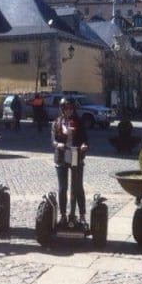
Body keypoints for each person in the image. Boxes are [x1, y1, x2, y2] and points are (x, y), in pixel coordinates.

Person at [51, 96, 89, 226]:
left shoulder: (79, 122)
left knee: (77, 186)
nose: (69, 111)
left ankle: (81, 214)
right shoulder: (57, 123)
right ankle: (63, 215)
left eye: (71, 108)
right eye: (66, 108)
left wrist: (84, 145)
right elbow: (54, 140)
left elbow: (85, 139)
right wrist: (58, 145)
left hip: (75, 154)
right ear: (62, 109)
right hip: (62, 156)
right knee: (63, 187)